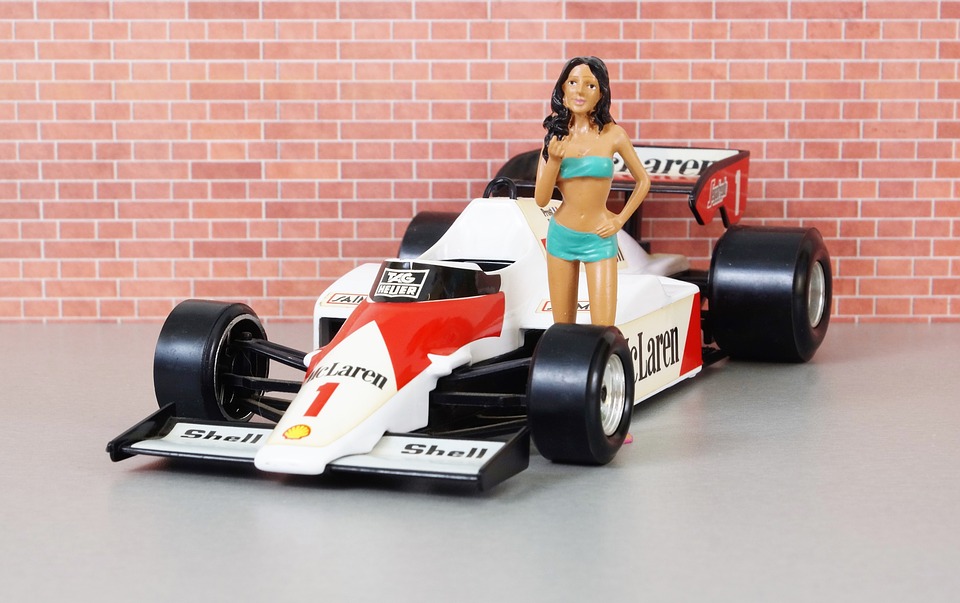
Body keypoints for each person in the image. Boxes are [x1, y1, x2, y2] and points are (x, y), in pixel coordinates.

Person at [534, 56, 651, 326]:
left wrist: (619, 220)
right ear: (562, 90)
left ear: (601, 93)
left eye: (590, 85)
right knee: (562, 327)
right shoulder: (554, 138)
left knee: (603, 327)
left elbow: (643, 181)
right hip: (562, 236)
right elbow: (541, 199)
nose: (580, 91)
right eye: (573, 83)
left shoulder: (614, 135)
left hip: (600, 236)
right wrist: (554, 160)